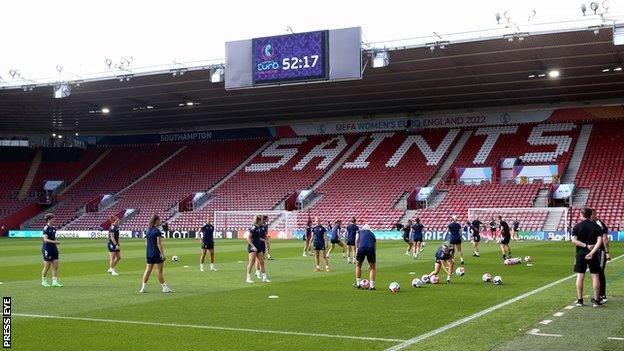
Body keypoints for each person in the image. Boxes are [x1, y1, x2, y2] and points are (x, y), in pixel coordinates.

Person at [571, 208, 603, 307]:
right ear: (591, 215)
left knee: (580, 276)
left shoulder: (577, 226)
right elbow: (599, 241)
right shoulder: (596, 226)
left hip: (580, 253)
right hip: (593, 254)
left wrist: (585, 246)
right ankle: (597, 301)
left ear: (581, 214)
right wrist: (592, 252)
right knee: (595, 276)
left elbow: (574, 240)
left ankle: (580, 300)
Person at [140, 214, 173, 293]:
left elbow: (146, 242)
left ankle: (143, 288)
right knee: (159, 271)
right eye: (159, 220)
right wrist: (162, 254)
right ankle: (164, 288)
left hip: (149, 253)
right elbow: (159, 244)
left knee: (147, 270)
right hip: (156, 253)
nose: (160, 222)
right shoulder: (157, 231)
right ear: (156, 221)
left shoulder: (148, 230)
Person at [591, 209, 610, 303]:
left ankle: (602, 295)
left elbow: (605, 238)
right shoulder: (592, 224)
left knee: (600, 271)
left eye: (591, 214)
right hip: (594, 251)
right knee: (596, 272)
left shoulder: (599, 224)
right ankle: (599, 294)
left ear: (595, 215)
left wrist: (606, 252)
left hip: (600, 251)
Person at [246, 215, 270, 283]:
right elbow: (248, 238)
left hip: (258, 246)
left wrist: (264, 240)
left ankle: (264, 278)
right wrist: (253, 246)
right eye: (261, 221)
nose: (262, 222)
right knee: (251, 262)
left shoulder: (259, 228)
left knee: (262, 262)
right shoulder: (253, 228)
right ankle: (248, 278)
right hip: (252, 247)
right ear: (258, 221)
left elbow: (257, 237)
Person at [41, 213, 63, 287]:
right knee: (47, 266)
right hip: (47, 248)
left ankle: (54, 282)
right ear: (49, 219)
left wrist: (56, 247)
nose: (54, 220)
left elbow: (53, 238)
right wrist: (55, 242)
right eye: (53, 219)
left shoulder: (53, 228)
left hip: (53, 248)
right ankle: (43, 281)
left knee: (56, 266)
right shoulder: (46, 228)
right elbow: (45, 239)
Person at [353, 224, 377, 290]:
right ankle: (372, 286)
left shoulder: (359, 232)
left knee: (358, 265)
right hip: (371, 248)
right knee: (372, 268)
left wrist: (357, 249)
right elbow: (375, 245)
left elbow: (357, 240)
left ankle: (358, 284)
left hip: (361, 248)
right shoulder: (372, 234)